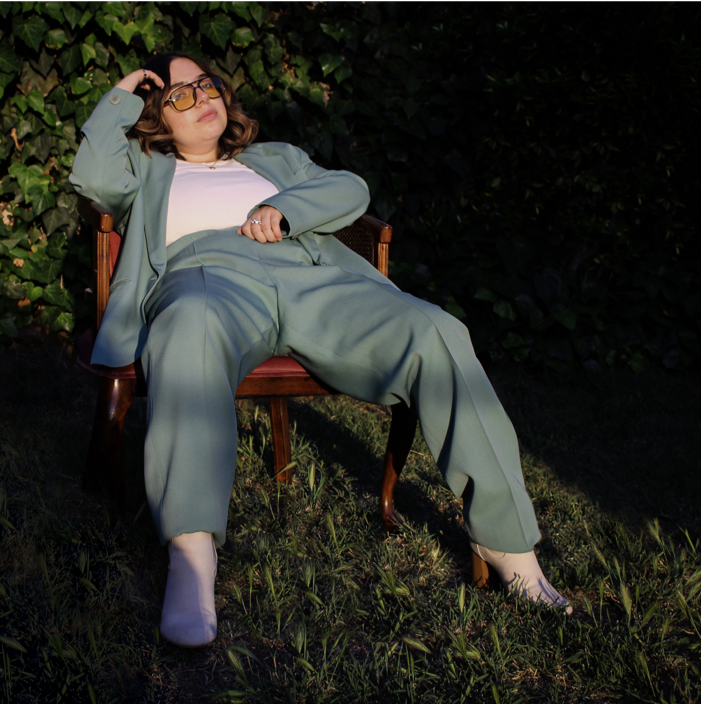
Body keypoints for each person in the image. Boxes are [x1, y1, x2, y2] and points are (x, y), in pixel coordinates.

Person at [70, 52, 570, 648]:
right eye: (177, 96)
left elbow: (349, 189)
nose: (200, 99)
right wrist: (124, 91)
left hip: (312, 277)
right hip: (208, 276)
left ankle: (508, 543)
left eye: (206, 85)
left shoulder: (275, 159)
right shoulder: (147, 169)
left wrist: (284, 208)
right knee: (188, 327)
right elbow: (94, 175)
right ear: (156, 117)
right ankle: (192, 557)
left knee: (437, 330)